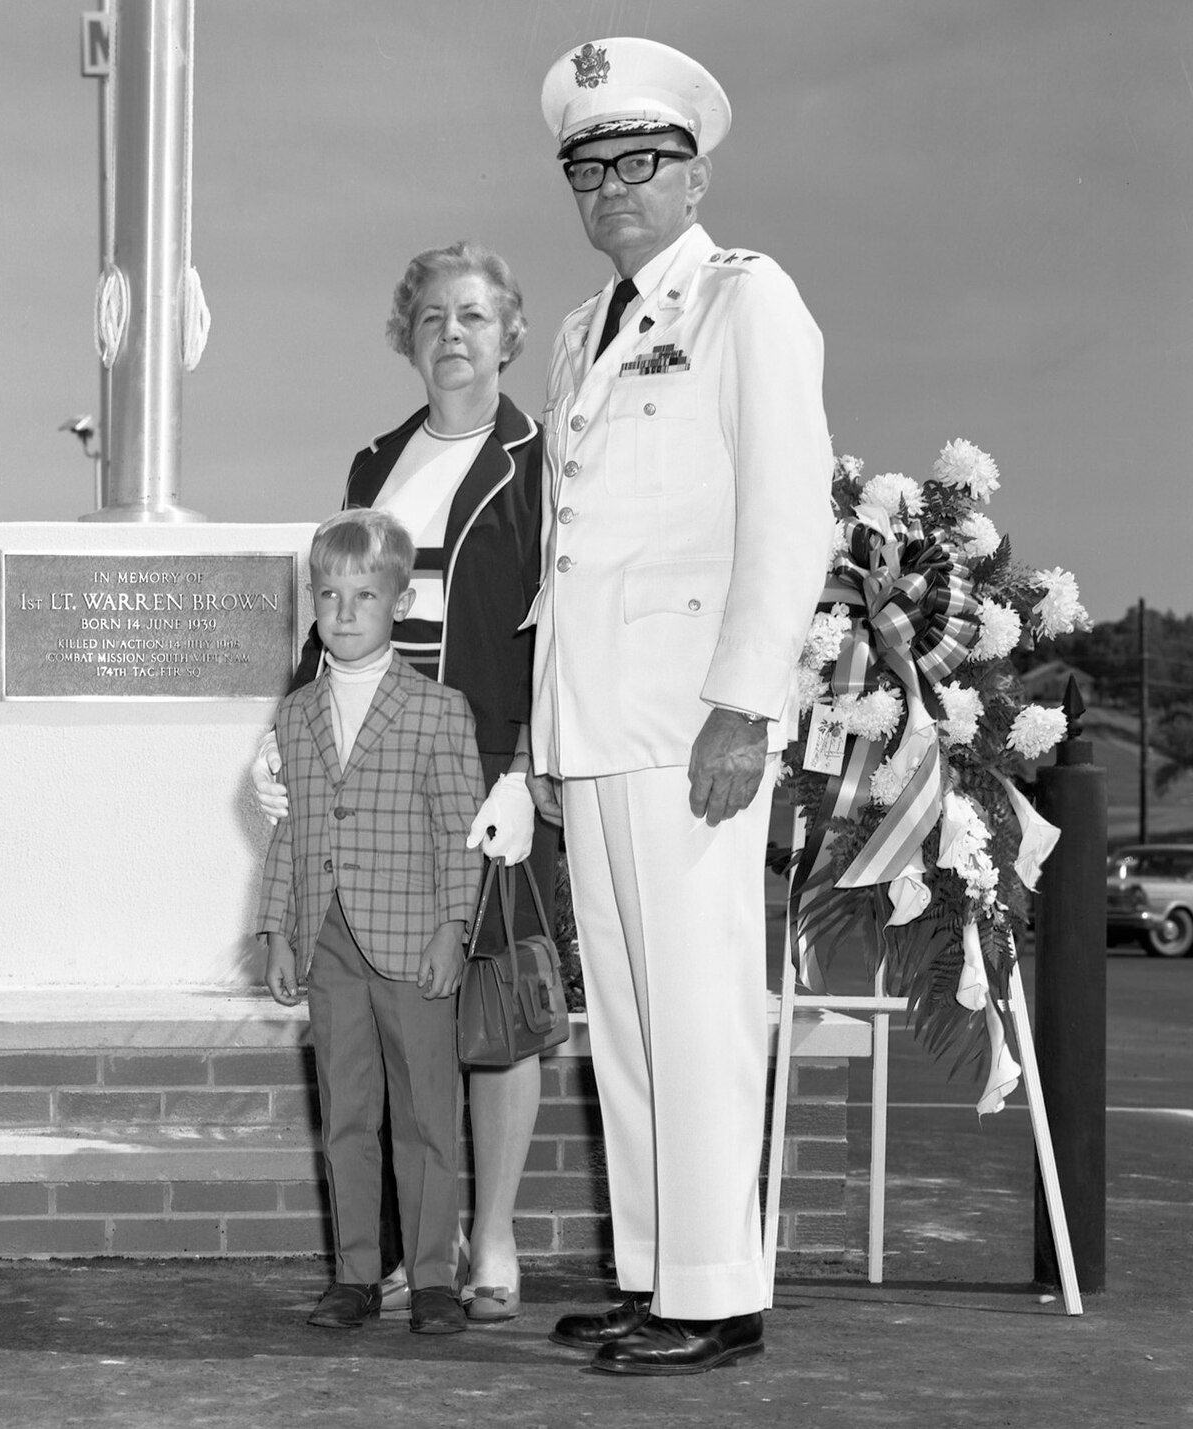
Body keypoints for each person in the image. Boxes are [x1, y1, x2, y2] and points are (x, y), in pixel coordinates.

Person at [508, 39, 833, 1374]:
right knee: (631, 1021)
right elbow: (567, 550)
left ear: (695, 177)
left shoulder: (745, 301)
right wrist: (542, 734)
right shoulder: (590, 330)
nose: (614, 189)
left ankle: (715, 1292)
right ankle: (654, 1272)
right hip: (596, 724)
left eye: (641, 163)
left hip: (690, 719)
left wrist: (746, 704)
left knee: (699, 1007)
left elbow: (787, 511)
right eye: (590, 168)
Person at [253, 242, 552, 1320]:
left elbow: (551, 631)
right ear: (407, 334)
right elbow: (338, 591)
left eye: (473, 316)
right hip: (364, 765)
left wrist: (523, 767)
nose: (452, 335)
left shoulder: (540, 459)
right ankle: (391, 1252)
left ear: (509, 331)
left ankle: (492, 1238)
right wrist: (283, 743)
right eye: (430, 317)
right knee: (383, 1034)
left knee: (486, 1002)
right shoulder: (376, 457)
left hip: (481, 771)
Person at [258, 509, 485, 1336]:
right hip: (327, 941)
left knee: (427, 1113)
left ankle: (432, 1278)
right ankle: (355, 1272)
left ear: (402, 599)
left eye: (363, 593)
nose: (344, 610)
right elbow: (290, 828)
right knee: (347, 1113)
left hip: (411, 937)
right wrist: (276, 928)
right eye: (329, 593)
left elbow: (460, 829)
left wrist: (453, 926)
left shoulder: (437, 710)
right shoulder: (296, 714)